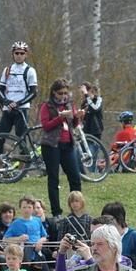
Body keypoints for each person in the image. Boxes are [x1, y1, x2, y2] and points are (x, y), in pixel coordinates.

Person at [37, 79, 83, 218]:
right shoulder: (47, 105)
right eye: (60, 93)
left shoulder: (69, 104)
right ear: (53, 93)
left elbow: (73, 124)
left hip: (67, 144)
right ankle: (56, 211)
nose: (63, 96)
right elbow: (46, 125)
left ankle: (76, 209)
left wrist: (77, 117)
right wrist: (60, 117)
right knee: (54, 179)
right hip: (51, 145)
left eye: (65, 93)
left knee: (75, 177)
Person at [0, 42, 38, 139]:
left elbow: (33, 92)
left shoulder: (30, 70)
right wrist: (6, 101)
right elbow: (0, 90)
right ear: (13, 54)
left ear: (26, 55)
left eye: (22, 53)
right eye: (17, 53)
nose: (19, 56)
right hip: (8, 109)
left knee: (21, 137)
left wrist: (18, 103)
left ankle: (24, 154)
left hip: (22, 109)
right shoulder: (7, 69)